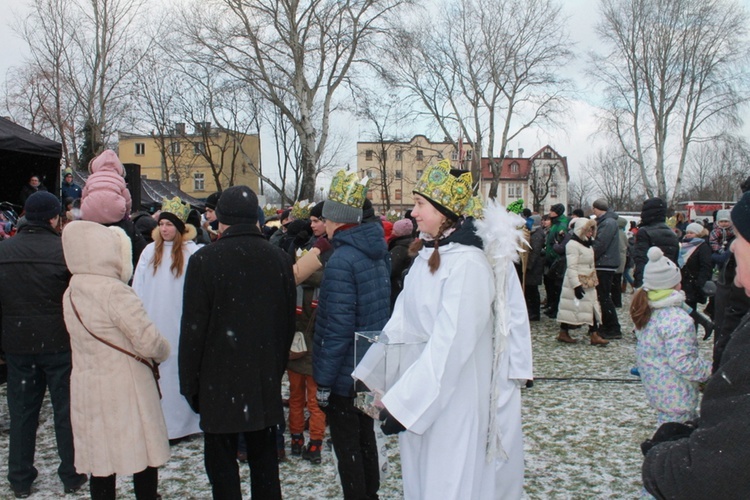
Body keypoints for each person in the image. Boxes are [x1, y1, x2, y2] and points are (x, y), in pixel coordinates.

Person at [359, 160, 532, 499]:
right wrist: (374, 378)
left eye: (421, 204)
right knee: (422, 483)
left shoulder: (467, 265)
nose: (414, 212)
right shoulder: (428, 256)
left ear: (446, 212)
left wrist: (406, 403)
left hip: (453, 401)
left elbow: (450, 345)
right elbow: (401, 324)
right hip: (421, 395)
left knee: (447, 484)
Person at [179, 185, 295, 500]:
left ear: (222, 219)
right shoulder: (279, 259)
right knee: (264, 466)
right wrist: (274, 368)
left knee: (222, 470)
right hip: (261, 377)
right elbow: (286, 326)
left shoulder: (206, 260)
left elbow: (192, 329)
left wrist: (190, 384)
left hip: (218, 380)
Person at [641, 191, 750, 497]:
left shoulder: (653, 312)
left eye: (737, 247)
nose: (737, 281)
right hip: (674, 391)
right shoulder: (675, 319)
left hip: (662, 390)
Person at [61, 220, 170, 500]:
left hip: (88, 383)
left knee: (101, 460)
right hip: (126, 385)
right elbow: (148, 341)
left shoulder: (71, 290)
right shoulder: (114, 291)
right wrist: (164, 350)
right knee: (143, 453)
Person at [0, 192, 88, 498]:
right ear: (53, 218)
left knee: (22, 413)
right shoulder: (64, 250)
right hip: (59, 344)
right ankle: (72, 474)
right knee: (66, 411)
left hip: (18, 345)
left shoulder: (4, 250)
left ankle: (20, 478)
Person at [312, 170, 390, 500]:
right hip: (368, 367)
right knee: (364, 437)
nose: (323, 225)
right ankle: (369, 493)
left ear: (339, 220)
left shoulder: (343, 259)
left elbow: (336, 328)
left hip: (345, 373)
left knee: (348, 448)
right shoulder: (375, 252)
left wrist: (325, 381)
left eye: (327, 218)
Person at [132, 197, 201, 442]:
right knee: (158, 373)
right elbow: (138, 286)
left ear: (180, 227)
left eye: (170, 225)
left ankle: (185, 424)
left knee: (179, 371)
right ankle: (160, 423)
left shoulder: (192, 252)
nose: (164, 229)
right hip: (155, 321)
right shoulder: (150, 251)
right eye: (161, 224)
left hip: (182, 322)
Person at [631, 247, 710, 425]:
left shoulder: (649, 311)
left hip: (659, 386)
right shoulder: (677, 320)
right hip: (677, 392)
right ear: (676, 284)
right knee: (675, 434)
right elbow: (683, 362)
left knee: (667, 428)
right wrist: (709, 371)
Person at [555, 217, 609, 345]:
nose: (591, 233)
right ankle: (564, 332)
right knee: (571, 307)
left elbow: (591, 264)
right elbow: (572, 266)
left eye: (592, 230)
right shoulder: (573, 245)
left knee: (591, 306)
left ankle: (594, 333)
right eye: (588, 230)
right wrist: (576, 285)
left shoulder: (587, 244)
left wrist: (594, 278)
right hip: (576, 280)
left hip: (588, 280)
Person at [591, 198, 622, 339]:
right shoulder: (607, 221)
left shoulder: (608, 223)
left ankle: (613, 327)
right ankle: (607, 324)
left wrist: (590, 254)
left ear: (597, 209)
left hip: (605, 264)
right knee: (602, 296)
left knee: (604, 297)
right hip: (605, 262)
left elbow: (601, 244)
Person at [633, 198, 679, 289]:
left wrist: (640, 286)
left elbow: (641, 260)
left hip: (650, 281)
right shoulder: (672, 233)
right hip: (668, 281)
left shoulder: (644, 231)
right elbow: (674, 261)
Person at [678, 223, 713, 315]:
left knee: (691, 311)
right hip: (683, 282)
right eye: (687, 232)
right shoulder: (683, 245)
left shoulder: (702, 246)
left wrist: (699, 283)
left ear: (698, 234)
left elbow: (706, 266)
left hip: (693, 283)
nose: (688, 234)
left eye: (692, 233)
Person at [543, 203, 569, 317]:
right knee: (551, 285)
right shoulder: (555, 222)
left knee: (556, 286)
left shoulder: (561, 224)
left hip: (556, 259)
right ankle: (552, 306)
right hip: (551, 257)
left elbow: (559, 241)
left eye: (552, 210)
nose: (550, 212)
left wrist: (553, 253)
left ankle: (556, 308)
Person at [388, 218, 415, 309]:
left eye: (394, 230)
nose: (392, 232)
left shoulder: (398, 249)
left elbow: (391, 269)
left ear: (399, 233)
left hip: (396, 288)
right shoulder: (411, 244)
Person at [526, 214, 545, 321]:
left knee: (533, 291)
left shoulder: (538, 234)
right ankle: (532, 311)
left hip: (534, 267)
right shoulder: (534, 232)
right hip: (533, 267)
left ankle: (534, 313)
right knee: (530, 290)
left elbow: (535, 252)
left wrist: (528, 266)